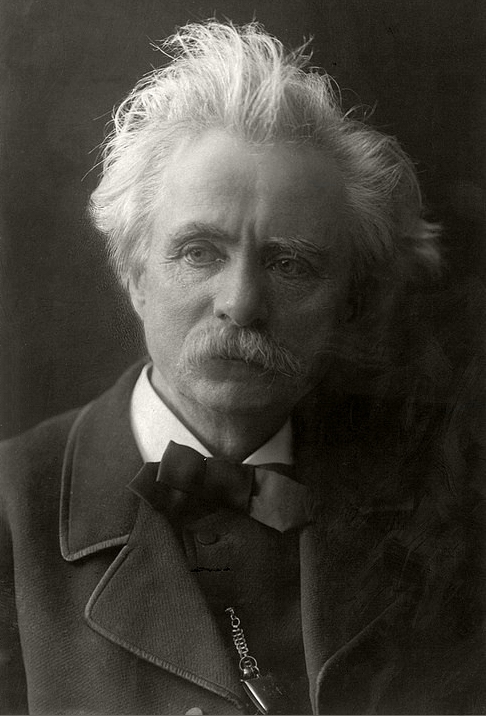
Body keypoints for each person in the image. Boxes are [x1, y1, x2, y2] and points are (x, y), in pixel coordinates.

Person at [1, 20, 485, 715]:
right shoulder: (11, 511)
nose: (242, 303)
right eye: (200, 252)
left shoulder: (446, 502)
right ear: (134, 274)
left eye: (290, 264)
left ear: (349, 301)